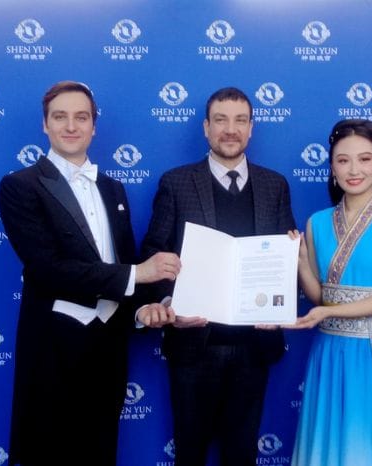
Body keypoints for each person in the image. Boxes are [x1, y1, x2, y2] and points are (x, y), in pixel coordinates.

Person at [0, 80, 181, 466]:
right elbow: (47, 269)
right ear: (45, 124)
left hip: (108, 349)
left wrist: (144, 309)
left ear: (94, 126)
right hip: (53, 350)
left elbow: (120, 260)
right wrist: (139, 274)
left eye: (81, 117)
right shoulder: (19, 186)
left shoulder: (113, 189)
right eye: (60, 117)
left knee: (100, 452)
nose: (71, 126)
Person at [140, 87, 297, 466]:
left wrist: (291, 259)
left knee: (241, 455)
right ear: (206, 128)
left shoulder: (275, 185)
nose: (231, 129)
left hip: (254, 347)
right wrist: (169, 304)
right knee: (190, 453)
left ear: (251, 128)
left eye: (240, 120)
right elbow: (153, 253)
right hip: (194, 346)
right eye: (221, 120)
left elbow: (286, 260)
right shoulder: (176, 183)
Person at [286, 119, 372, 466]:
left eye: (365, 159)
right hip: (329, 350)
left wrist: (328, 312)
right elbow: (321, 297)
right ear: (332, 167)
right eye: (343, 160)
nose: (354, 170)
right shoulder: (317, 222)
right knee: (330, 446)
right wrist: (301, 260)